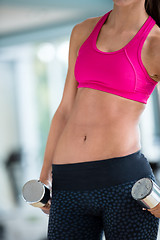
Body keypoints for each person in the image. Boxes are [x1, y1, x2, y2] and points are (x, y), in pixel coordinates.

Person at [39, 0, 160, 239]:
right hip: (68, 182)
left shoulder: (155, 42)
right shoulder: (83, 31)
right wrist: (45, 174)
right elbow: (65, 109)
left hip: (126, 185)